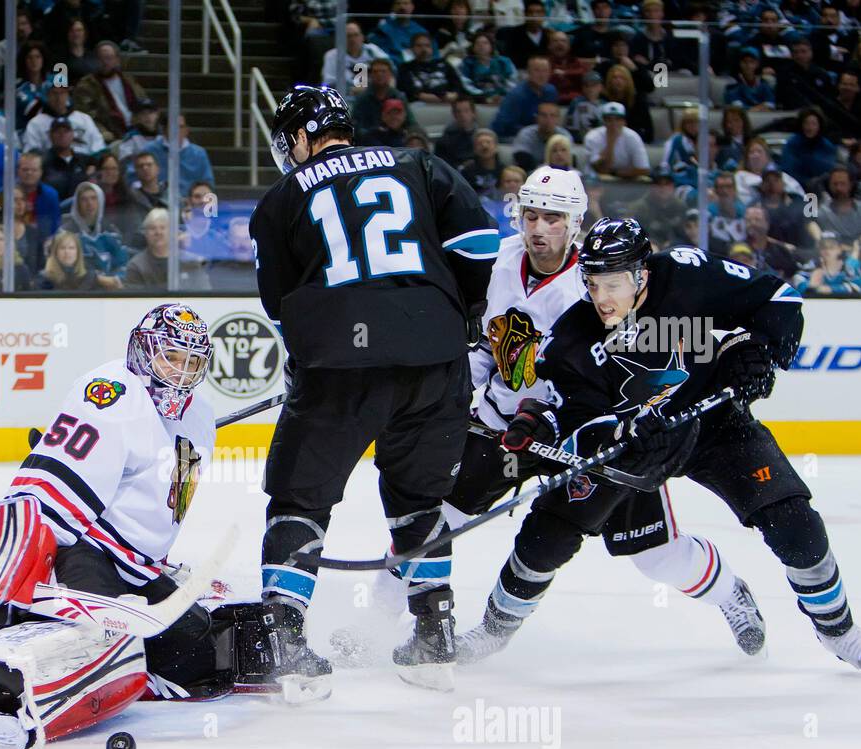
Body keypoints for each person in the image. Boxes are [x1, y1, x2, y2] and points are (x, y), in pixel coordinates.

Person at [462, 217, 861, 672]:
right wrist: (614, 429)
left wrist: (761, 349)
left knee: (796, 528)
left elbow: (779, 298)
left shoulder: (688, 275)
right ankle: (492, 631)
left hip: (714, 423)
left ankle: (840, 633)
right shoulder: (572, 339)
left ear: (642, 274)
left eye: (613, 283)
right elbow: (577, 417)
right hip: (635, 449)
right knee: (548, 537)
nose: (602, 298)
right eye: (592, 283)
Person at [0, 304, 304, 749]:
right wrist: (17, 564)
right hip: (82, 552)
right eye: (170, 358)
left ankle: (124, 668)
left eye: (191, 362)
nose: (180, 374)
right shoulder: (111, 393)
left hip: (135, 564)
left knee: (197, 655)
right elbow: (51, 485)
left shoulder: (198, 416)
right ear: (143, 352)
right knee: (98, 633)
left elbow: (157, 511)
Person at [445, 168, 761, 665]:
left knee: (655, 556)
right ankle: (433, 620)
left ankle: (729, 593)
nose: (539, 227)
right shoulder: (496, 262)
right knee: (440, 516)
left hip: (592, 431)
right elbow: (487, 345)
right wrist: (456, 384)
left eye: (553, 217)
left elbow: (631, 375)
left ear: (575, 222)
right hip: (505, 423)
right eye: (530, 214)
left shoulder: (597, 284)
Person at [248, 85, 499, 688]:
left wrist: (310, 348)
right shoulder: (419, 164)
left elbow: (281, 306)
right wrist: (453, 316)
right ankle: (434, 637)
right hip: (435, 364)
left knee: (299, 500)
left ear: (305, 137)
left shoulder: (282, 198)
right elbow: (480, 243)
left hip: (340, 367)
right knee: (419, 500)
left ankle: (286, 642)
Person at [71, 40, 148, 142]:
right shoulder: (86, 86)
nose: (105, 62)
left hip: (136, 129)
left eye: (109, 58)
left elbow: (143, 102)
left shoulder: (128, 80)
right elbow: (86, 116)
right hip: (110, 134)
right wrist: (103, 133)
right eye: (101, 58)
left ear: (117, 60)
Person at [121, 207, 209, 290]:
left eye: (163, 228)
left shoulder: (191, 262)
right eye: (152, 228)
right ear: (145, 234)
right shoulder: (136, 266)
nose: (158, 232)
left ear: (173, 231)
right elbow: (134, 302)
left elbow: (205, 296)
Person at [61, 181, 128, 277]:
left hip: (109, 289)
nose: (89, 203)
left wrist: (115, 280)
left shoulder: (111, 231)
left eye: (93, 198)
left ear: (100, 201)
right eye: (84, 199)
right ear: (77, 204)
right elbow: (63, 267)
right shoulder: (65, 233)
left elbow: (122, 263)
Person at [492, 55, 558, 140]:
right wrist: (535, 131)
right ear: (528, 72)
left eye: (545, 71)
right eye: (537, 70)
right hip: (509, 137)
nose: (542, 75)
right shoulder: (516, 95)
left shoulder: (551, 91)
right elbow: (503, 126)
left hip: (539, 135)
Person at [584, 100, 650, 179]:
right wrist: (611, 143)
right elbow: (601, 169)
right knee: (605, 177)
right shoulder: (593, 137)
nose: (613, 123)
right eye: (609, 119)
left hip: (627, 179)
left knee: (644, 179)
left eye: (618, 119)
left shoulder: (633, 137)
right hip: (597, 180)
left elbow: (644, 169)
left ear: (624, 121)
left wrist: (616, 174)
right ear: (603, 121)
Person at [37, 228, 121, 290]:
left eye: (71, 248)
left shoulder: (90, 276)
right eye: (62, 248)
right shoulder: (44, 280)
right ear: (55, 253)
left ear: (78, 253)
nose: (67, 252)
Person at [42, 117, 91, 200]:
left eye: (66, 131)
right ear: (50, 135)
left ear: (72, 134)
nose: (62, 135)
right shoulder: (43, 161)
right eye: (58, 132)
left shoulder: (83, 160)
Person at [16, 151, 61, 239]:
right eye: (25, 169)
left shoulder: (51, 195)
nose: (29, 173)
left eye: (34, 170)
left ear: (41, 172)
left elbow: (54, 228)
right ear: (18, 171)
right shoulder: (5, 193)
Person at [436, 97, 478, 169]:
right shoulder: (444, 141)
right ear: (454, 115)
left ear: (474, 113)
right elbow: (441, 167)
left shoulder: (482, 138)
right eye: (458, 112)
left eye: (466, 111)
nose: (462, 115)